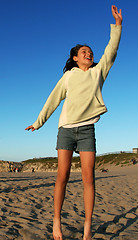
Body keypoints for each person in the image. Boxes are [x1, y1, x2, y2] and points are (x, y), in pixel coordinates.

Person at [25, 5, 122, 240]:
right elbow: (53, 99)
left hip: (87, 130)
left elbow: (111, 51)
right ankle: (56, 221)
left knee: (89, 178)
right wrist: (39, 122)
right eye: (84, 52)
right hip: (66, 130)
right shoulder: (68, 76)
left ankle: (88, 227)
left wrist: (117, 27)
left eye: (90, 51)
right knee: (63, 176)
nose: (89, 54)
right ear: (75, 58)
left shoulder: (98, 72)